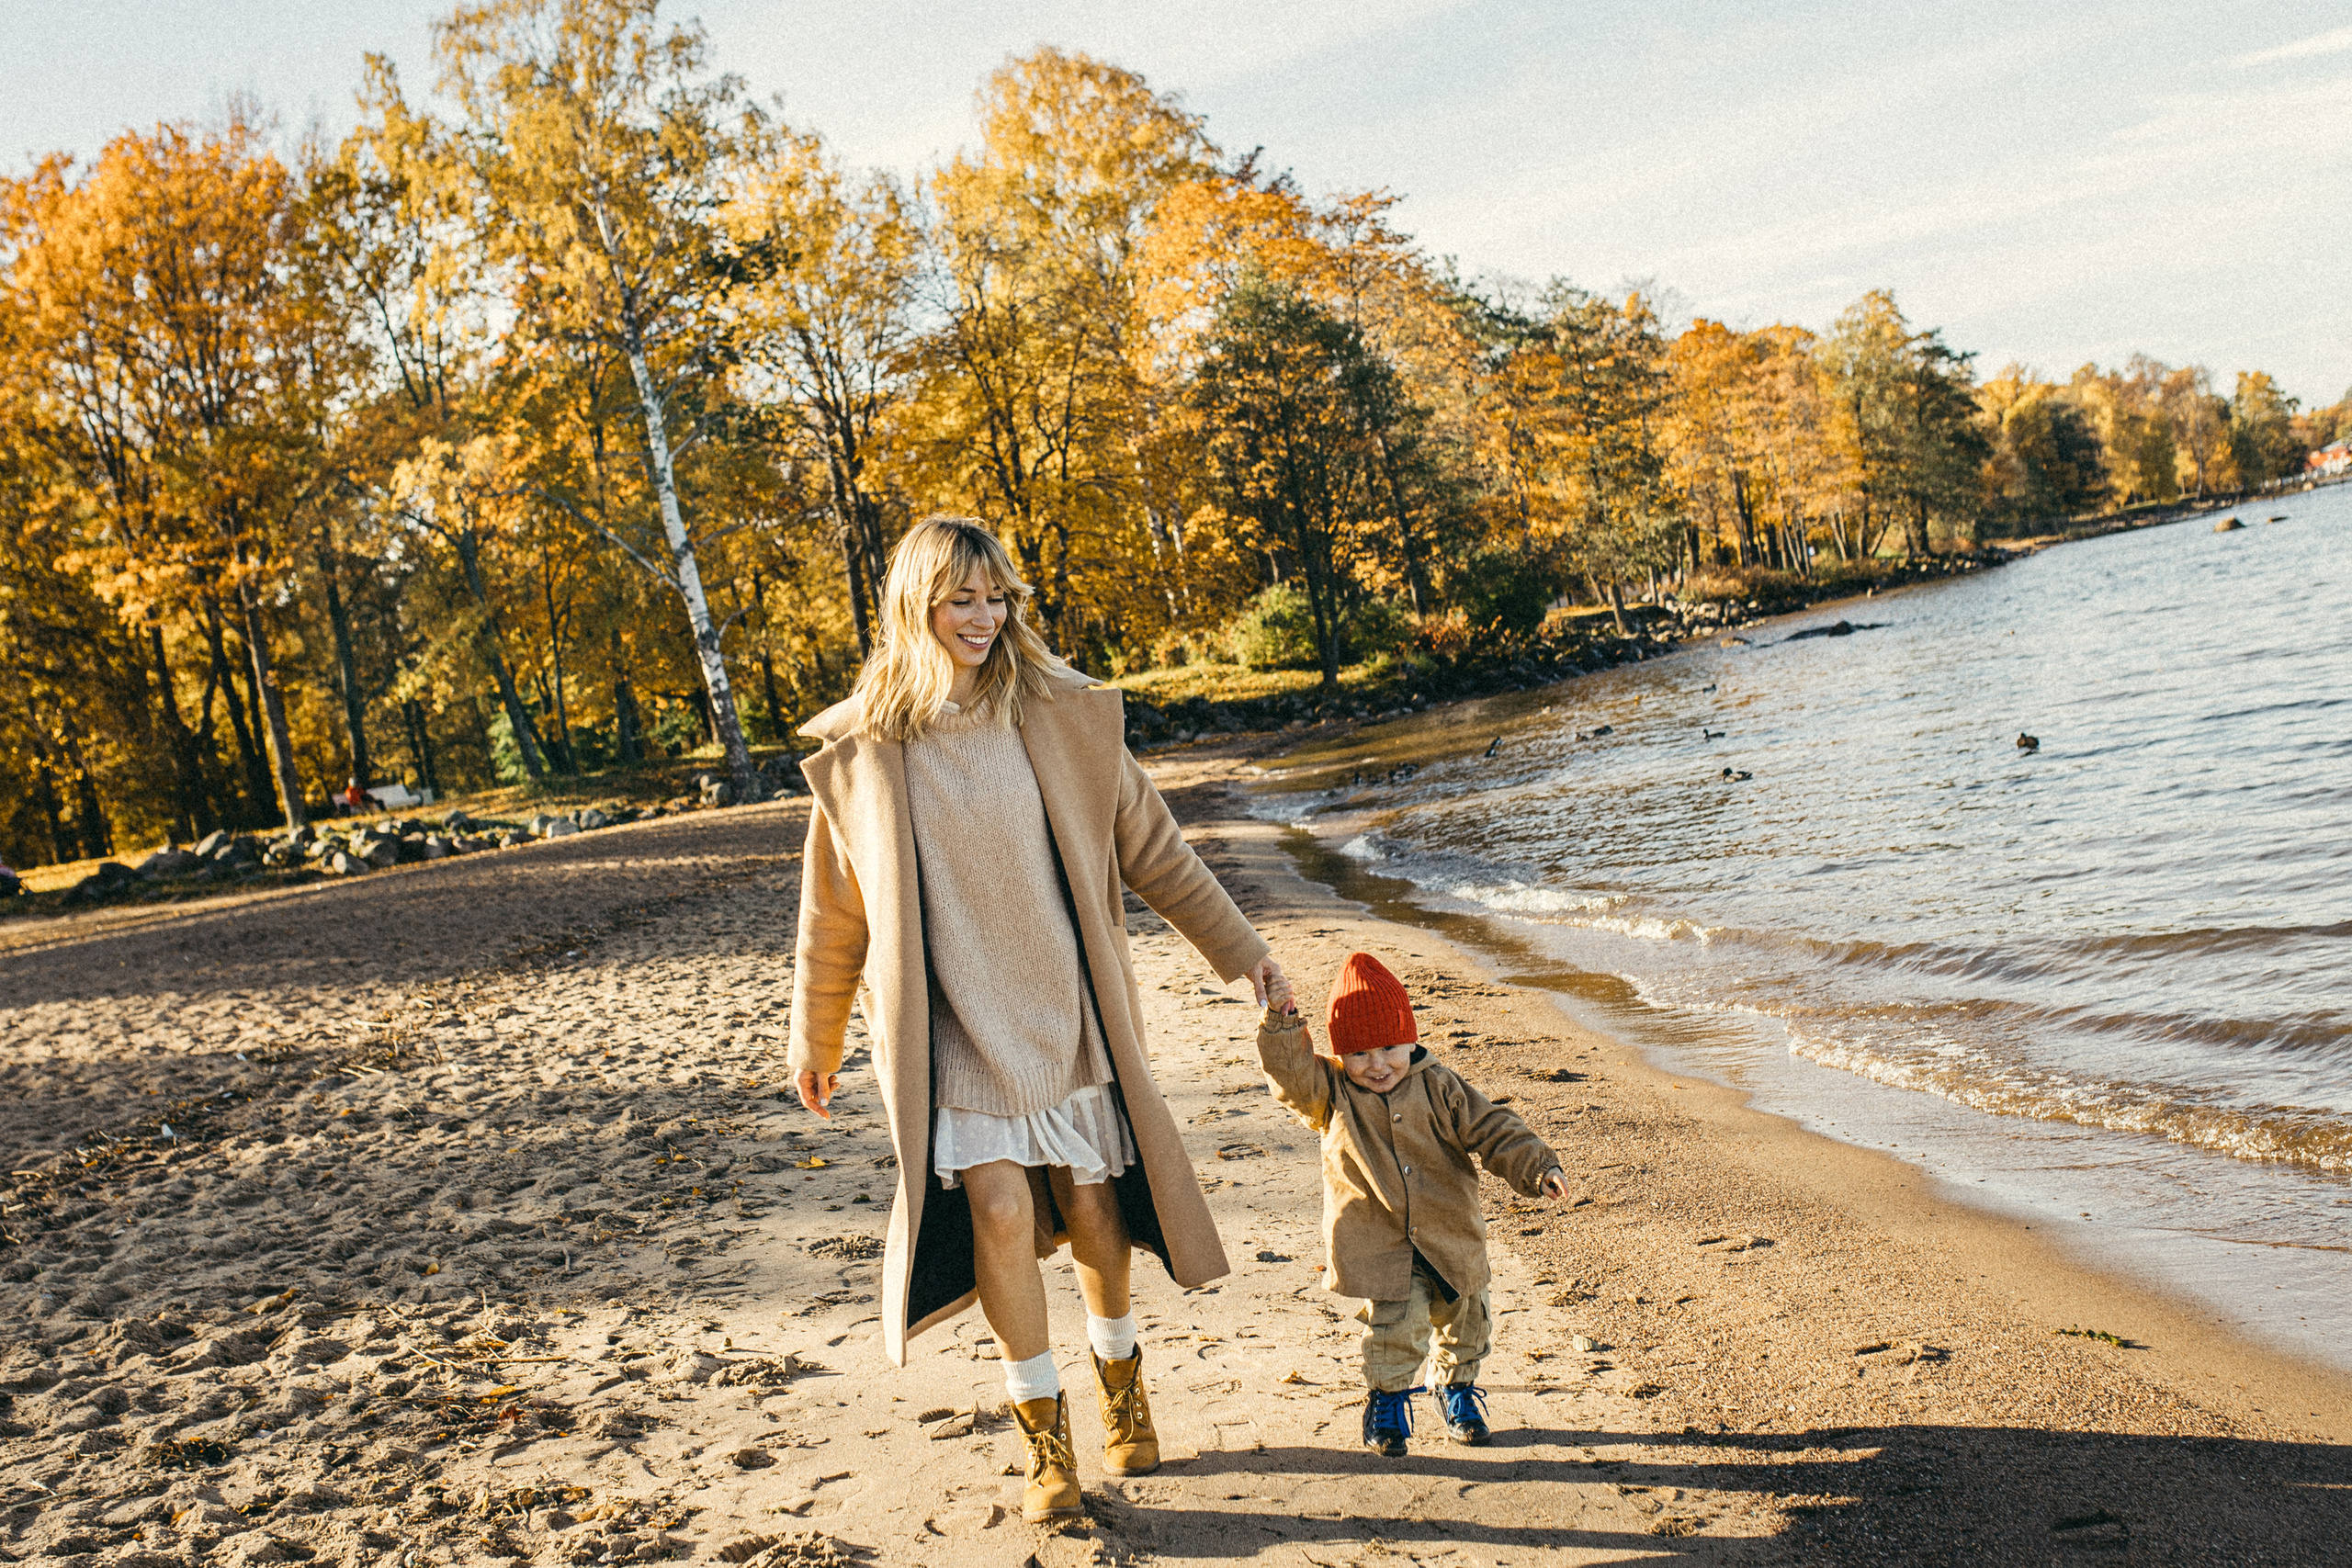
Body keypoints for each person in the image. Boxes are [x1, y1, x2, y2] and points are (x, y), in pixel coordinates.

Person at [788, 516, 1287, 1523]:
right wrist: (817, 1032)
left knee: (1097, 1215)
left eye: (997, 597)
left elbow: (1154, 850)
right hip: (955, 1032)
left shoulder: (1056, 713)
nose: (983, 618)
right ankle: (1046, 1444)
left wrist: (1245, 954)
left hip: (1067, 1017)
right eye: (960, 600)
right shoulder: (865, 748)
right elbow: (833, 909)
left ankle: (1119, 1378)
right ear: (916, 605)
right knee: (1002, 1213)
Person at [1256, 952, 1571, 1456]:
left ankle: (1456, 1389)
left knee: (1467, 1319)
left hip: (1450, 1232)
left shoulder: (1439, 1085)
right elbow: (1290, 1072)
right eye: (1359, 1054)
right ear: (1340, 1056)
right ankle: (1387, 1401)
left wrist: (1538, 1166)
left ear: (1410, 1038)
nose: (1376, 1065)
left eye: (1388, 1048)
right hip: (1381, 1242)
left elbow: (1492, 1127)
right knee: (1394, 1332)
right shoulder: (1330, 1092)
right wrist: (1282, 1020)